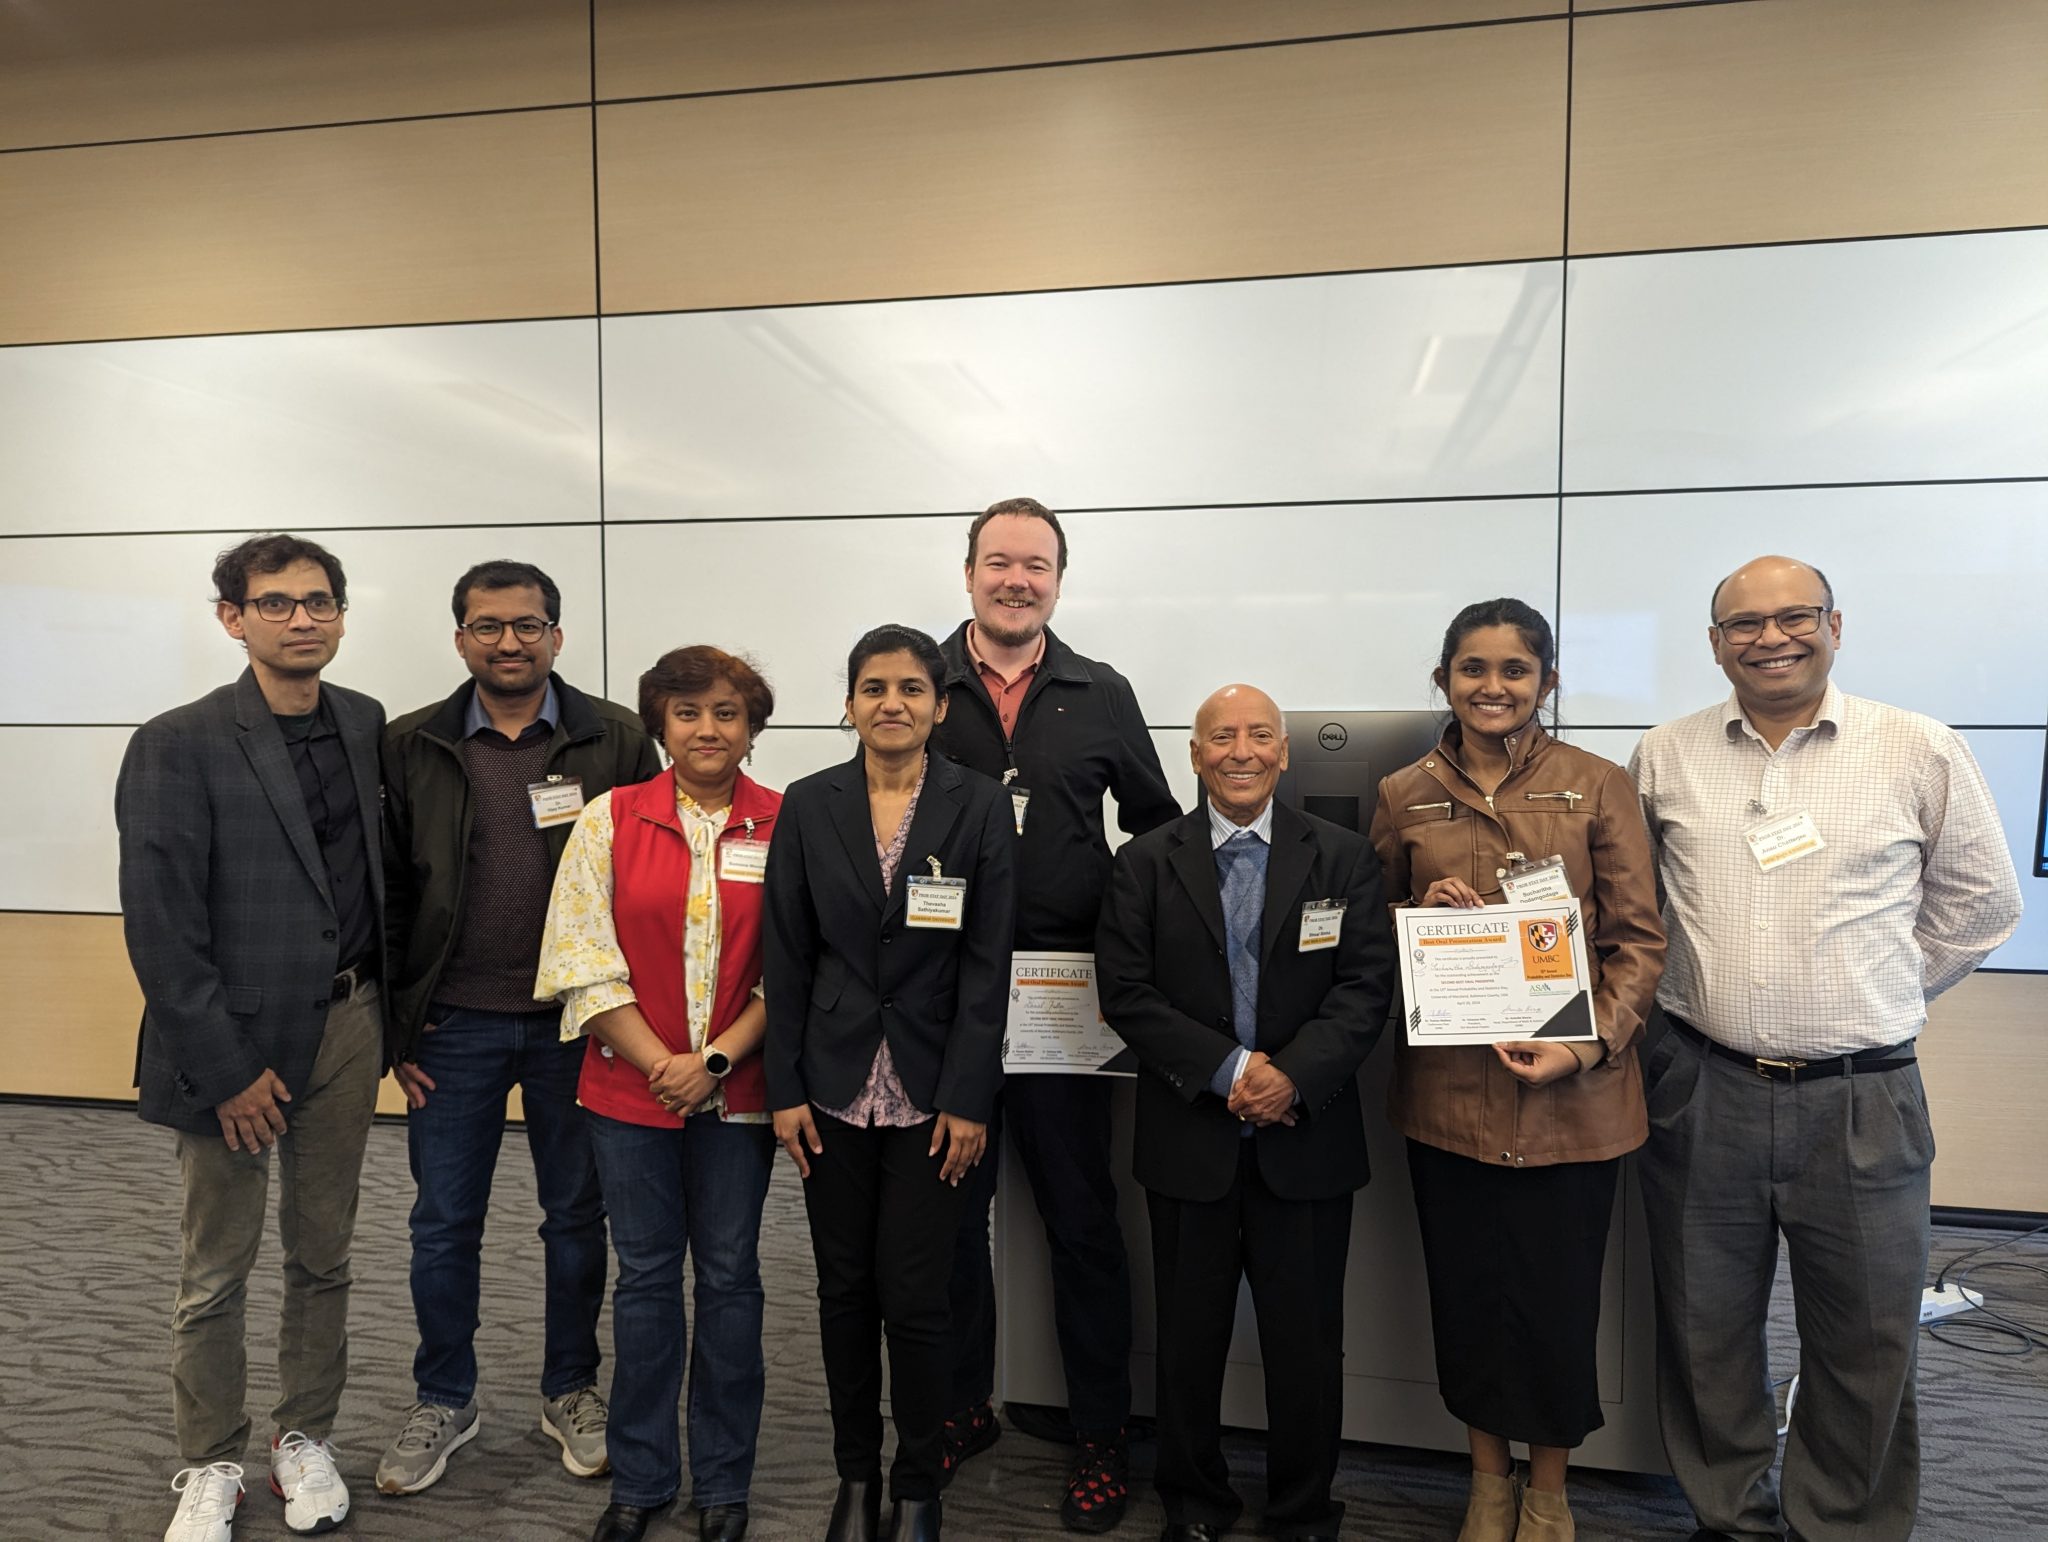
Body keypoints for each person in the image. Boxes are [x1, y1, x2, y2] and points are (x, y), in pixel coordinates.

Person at [1631, 555, 2021, 1542]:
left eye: (1792, 616)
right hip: (1700, 1086)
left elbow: (1982, 908)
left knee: (1864, 1337)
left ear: (1833, 626)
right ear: (1712, 644)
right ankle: (1725, 1511)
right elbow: (1638, 914)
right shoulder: (1663, 755)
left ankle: (1837, 1523)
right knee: (1702, 1329)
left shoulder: (1914, 747)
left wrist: (1880, 987)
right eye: (1743, 625)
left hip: (1860, 1094)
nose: (1770, 638)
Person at [1368, 599, 1666, 1542]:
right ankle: (1486, 1485)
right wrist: (1422, 911)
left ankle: (1549, 1493)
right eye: (1472, 670)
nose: (1492, 688)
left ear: (1547, 681)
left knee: (1555, 1306)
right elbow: (1371, 939)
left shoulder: (1599, 784)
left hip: (1574, 1104)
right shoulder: (1400, 791)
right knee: (1468, 1300)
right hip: (1450, 1101)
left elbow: (1640, 944)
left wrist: (1587, 1044)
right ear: (1444, 678)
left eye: (1514, 671)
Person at [117, 534, 386, 1542]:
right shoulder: (179, 741)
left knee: (324, 1253)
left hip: (348, 1025)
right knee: (215, 1266)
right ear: (232, 617)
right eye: (275, 603)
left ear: (342, 615)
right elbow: (161, 925)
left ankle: (303, 1437)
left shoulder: (362, 724)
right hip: (232, 1043)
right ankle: (210, 1459)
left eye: (318, 602)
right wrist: (227, 1070)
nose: (301, 618)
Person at [375, 560, 661, 1497]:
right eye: (489, 626)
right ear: (460, 637)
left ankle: (569, 1389)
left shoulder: (613, 738)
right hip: (451, 1025)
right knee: (442, 1223)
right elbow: (382, 893)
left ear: (557, 636)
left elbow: (648, 882)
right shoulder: (409, 742)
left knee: (578, 1220)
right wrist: (395, 1031)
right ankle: (443, 1396)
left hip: (575, 1028)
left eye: (528, 625)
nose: (509, 641)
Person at [1095, 683, 1396, 1542]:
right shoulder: (1145, 861)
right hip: (1191, 1136)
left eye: (1259, 735)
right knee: (1187, 1343)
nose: (1241, 751)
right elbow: (1126, 994)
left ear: (1284, 751)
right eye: (1220, 736)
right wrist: (1230, 1070)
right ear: (1193, 755)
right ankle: (1193, 1502)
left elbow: (1365, 986)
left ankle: (1305, 1508)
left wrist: (1289, 1077)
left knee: (1307, 1345)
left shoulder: (1340, 855)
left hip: (1306, 1137)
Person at [932, 497, 1179, 1531]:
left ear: (1058, 581)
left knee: (1081, 1225)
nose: (1015, 580)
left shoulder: (1099, 690)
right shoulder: (919, 682)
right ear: (969, 573)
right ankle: (957, 1409)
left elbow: (1159, 831)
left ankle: (1097, 1435)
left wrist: (1109, 921)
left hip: (1059, 1000)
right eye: (998, 563)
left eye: (1035, 565)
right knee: (944, 1222)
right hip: (939, 1002)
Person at [764, 624, 1018, 1542]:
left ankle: (919, 1483)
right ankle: (854, 1479)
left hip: (932, 1095)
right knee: (842, 1292)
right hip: (829, 1088)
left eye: (912, 688)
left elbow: (991, 967)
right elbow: (786, 958)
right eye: (873, 688)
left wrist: (969, 1097)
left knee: (915, 1296)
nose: (892, 704)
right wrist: (783, 1088)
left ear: (939, 706)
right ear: (848, 704)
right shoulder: (808, 802)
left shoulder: (980, 806)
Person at [533, 646, 784, 1542]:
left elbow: (796, 969)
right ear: (660, 725)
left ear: (752, 726)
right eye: (687, 713)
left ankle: (722, 1484)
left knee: (729, 1283)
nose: (707, 729)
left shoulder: (788, 824)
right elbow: (579, 960)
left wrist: (711, 1062)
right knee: (643, 1285)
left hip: (740, 1096)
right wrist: (661, 1064)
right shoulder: (609, 818)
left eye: (725, 712)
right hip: (627, 1094)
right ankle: (639, 1482)